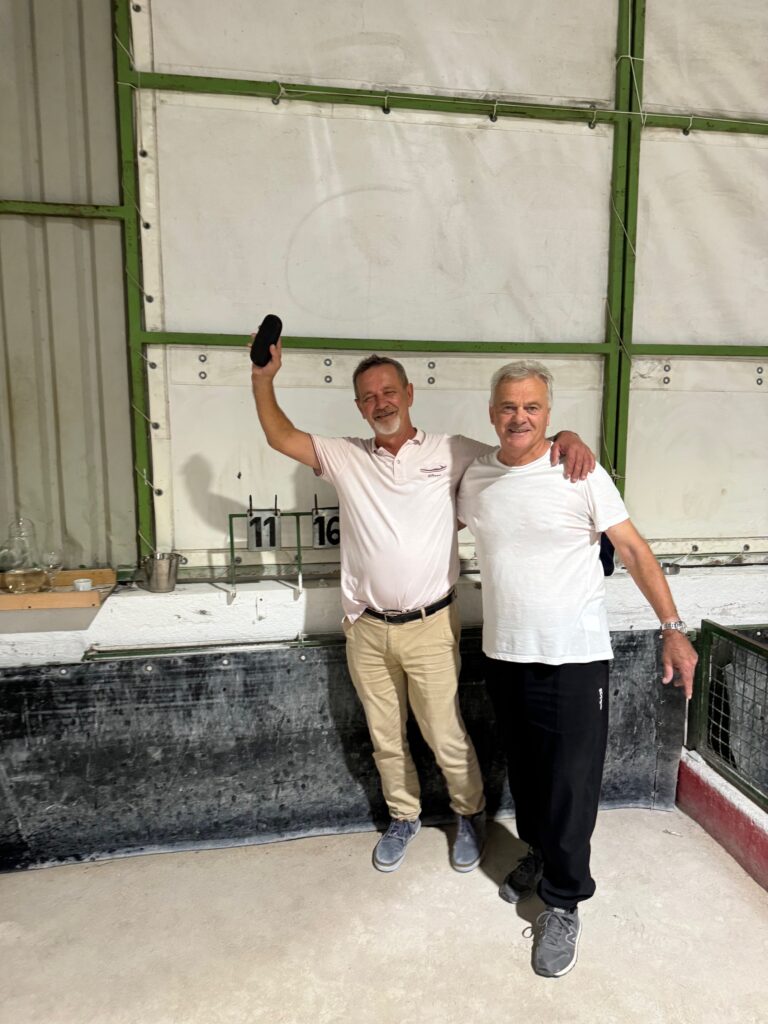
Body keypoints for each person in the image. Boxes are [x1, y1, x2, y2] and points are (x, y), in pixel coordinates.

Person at [251, 339, 595, 873]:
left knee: (444, 733)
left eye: (389, 391)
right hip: (366, 628)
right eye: (369, 397)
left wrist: (566, 436)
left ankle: (470, 814)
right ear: (359, 406)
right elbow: (280, 436)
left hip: (431, 625)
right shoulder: (345, 456)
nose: (381, 402)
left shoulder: (452, 451)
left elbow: (518, 448)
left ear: (409, 394)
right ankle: (403, 815)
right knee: (384, 736)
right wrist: (263, 377)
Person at [457, 360, 698, 979]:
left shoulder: (580, 472)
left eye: (532, 407)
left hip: (574, 658)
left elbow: (634, 549)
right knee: (529, 776)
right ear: (491, 413)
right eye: (509, 407)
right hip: (505, 654)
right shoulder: (475, 477)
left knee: (570, 783)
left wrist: (673, 629)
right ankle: (539, 854)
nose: (519, 418)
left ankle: (564, 902)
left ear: (548, 413)